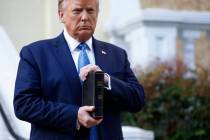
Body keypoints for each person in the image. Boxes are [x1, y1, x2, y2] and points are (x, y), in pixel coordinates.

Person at [13, 0, 145, 139]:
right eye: (77, 11)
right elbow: (24, 105)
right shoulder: (36, 54)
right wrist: (74, 115)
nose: (85, 17)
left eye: (90, 11)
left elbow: (137, 100)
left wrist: (105, 80)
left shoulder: (116, 54)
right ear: (61, 15)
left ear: (97, 14)